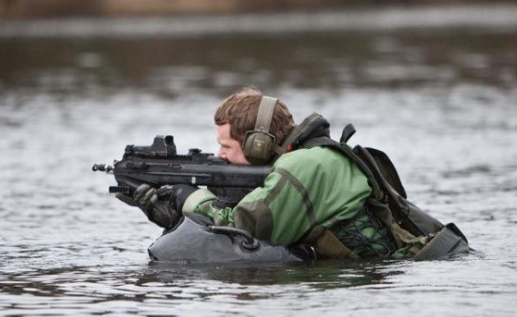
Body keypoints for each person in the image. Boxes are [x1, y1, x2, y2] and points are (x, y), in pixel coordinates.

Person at [120, 87, 418, 259]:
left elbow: (245, 226)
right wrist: (172, 217)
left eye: (226, 146)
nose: (220, 155)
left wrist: (190, 199)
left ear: (257, 144)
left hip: (387, 271)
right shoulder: (312, 157)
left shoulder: (302, 167)